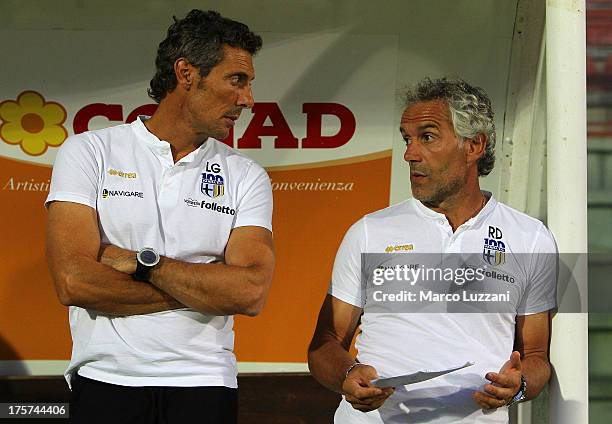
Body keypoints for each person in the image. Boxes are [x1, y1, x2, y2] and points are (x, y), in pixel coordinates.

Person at [45, 10, 274, 424]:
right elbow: (73, 280)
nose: (248, 99)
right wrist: (203, 286)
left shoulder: (246, 175)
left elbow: (249, 292)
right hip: (106, 379)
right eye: (237, 80)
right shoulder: (88, 152)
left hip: (206, 383)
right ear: (186, 73)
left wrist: (140, 264)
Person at [308, 78, 556, 423]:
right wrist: (348, 376)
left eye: (427, 136)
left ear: (474, 146)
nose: (410, 153)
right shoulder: (369, 232)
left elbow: (536, 355)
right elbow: (325, 345)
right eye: (407, 139)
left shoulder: (530, 238)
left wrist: (519, 385)